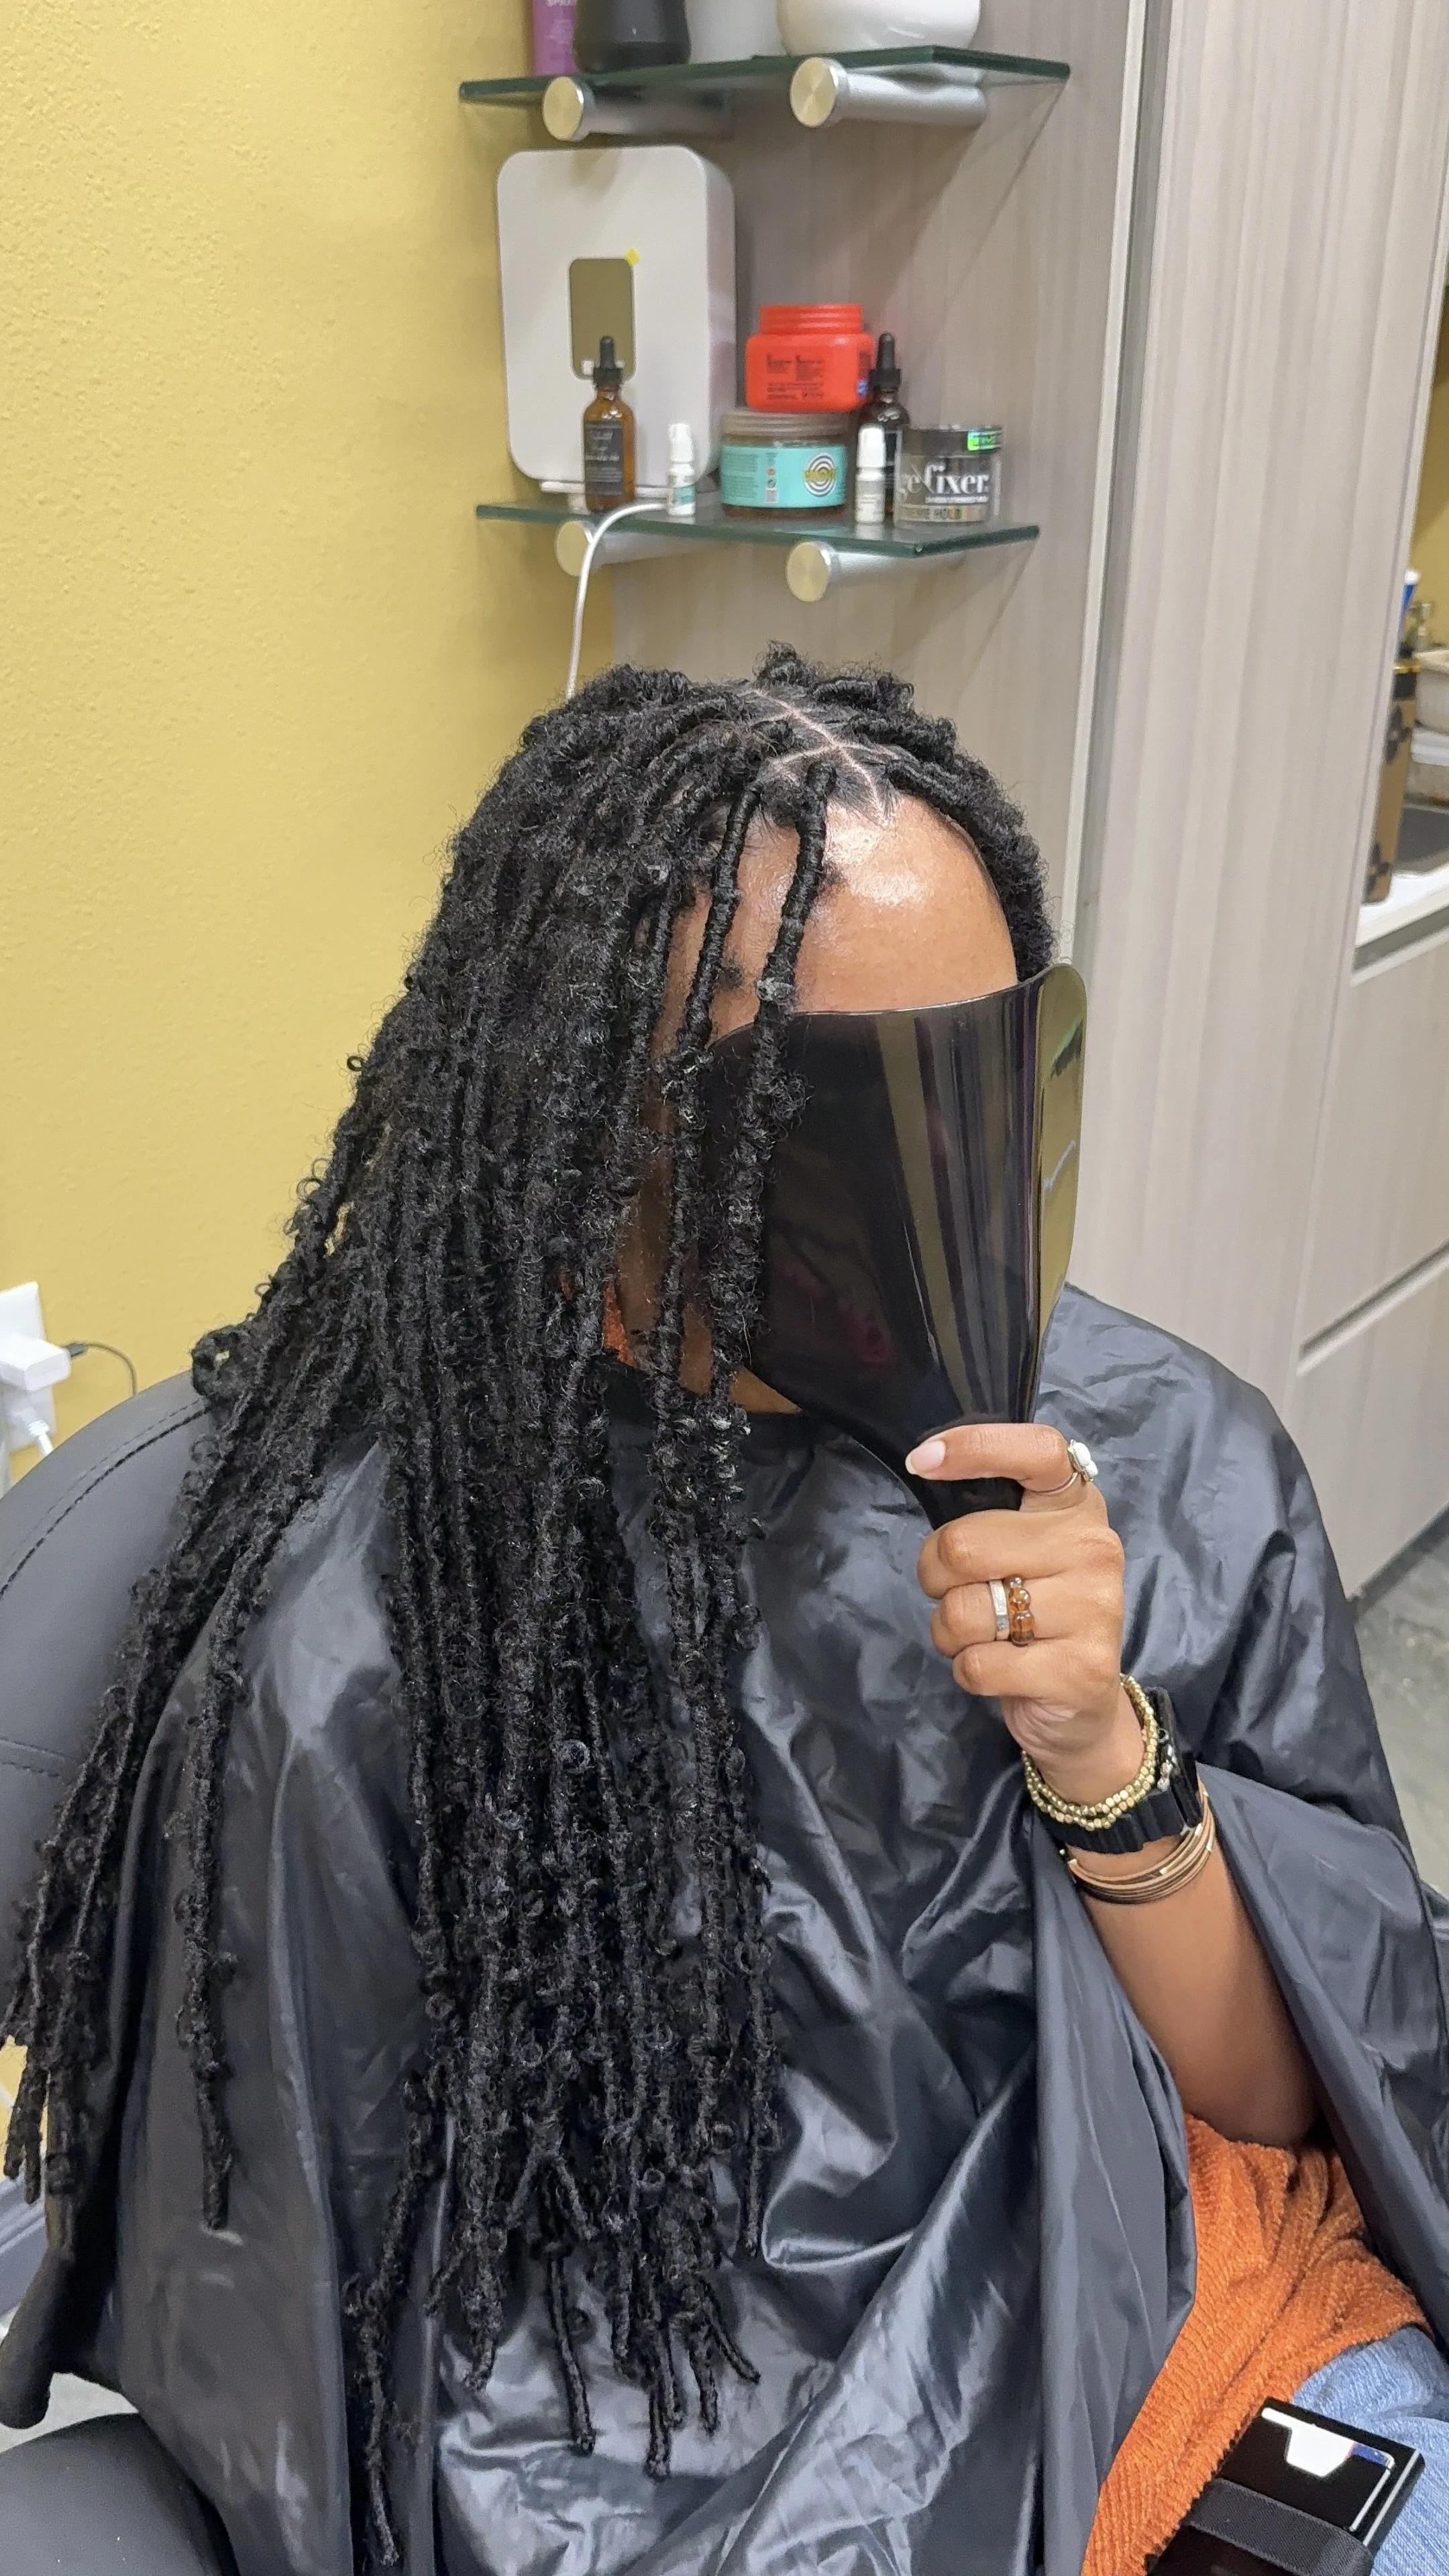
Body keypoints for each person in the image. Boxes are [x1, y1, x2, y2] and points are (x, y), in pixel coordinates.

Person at [2, 651, 1447, 2576]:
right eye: (834, 1111)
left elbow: (1294, 2105)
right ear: (594, 1118)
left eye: (989, 1073)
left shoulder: (1161, 1457)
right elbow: (341, 2372)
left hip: (1137, 2309)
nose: (941, 1181)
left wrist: (1103, 1748)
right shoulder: (388, 1624)